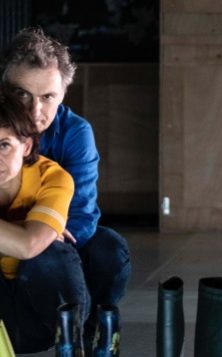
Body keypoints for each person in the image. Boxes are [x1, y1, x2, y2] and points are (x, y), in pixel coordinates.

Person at [0, 27, 131, 347]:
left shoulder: (75, 133)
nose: (34, 111)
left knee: (108, 250)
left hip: (55, 238)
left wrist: (42, 232)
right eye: (22, 94)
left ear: (63, 94)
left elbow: (82, 217)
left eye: (47, 98)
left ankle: (85, 335)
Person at [0, 93, 90, 353]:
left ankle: (73, 345)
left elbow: (29, 245)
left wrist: (37, 235)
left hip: (40, 320)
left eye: (4, 145)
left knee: (54, 253)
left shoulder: (52, 177)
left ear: (26, 146)